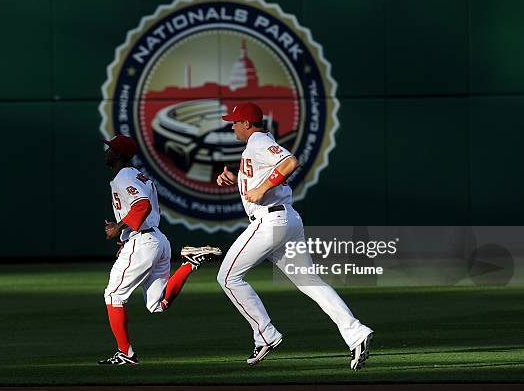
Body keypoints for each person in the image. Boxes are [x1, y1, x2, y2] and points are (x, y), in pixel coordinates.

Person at [216, 102, 373, 369]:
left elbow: (290, 162)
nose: (231, 126)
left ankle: (265, 335)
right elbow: (264, 180)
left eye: (234, 122)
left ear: (246, 123)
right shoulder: (257, 145)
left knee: (228, 276)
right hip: (286, 219)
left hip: (271, 221)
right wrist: (237, 181)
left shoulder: (257, 141)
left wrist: (262, 188)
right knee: (310, 282)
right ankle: (356, 332)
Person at [99, 135, 221, 365]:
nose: (107, 152)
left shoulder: (124, 176)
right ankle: (190, 263)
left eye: (111, 149)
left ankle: (126, 354)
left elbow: (142, 205)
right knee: (157, 304)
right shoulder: (135, 174)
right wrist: (126, 237)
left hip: (143, 241)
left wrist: (118, 228)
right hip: (155, 239)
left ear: (120, 155)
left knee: (113, 296)